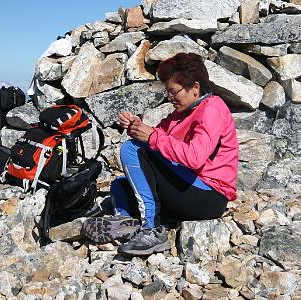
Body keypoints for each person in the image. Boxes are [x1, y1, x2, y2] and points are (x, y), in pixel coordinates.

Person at [83, 52, 238, 256]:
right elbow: (157, 141)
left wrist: (151, 137)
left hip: (209, 196)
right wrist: (136, 127)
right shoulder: (180, 114)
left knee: (131, 150)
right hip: (189, 190)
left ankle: (152, 229)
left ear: (195, 88)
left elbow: (195, 157)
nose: (171, 98)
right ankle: (126, 219)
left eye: (174, 92)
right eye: (168, 93)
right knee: (121, 184)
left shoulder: (212, 109)